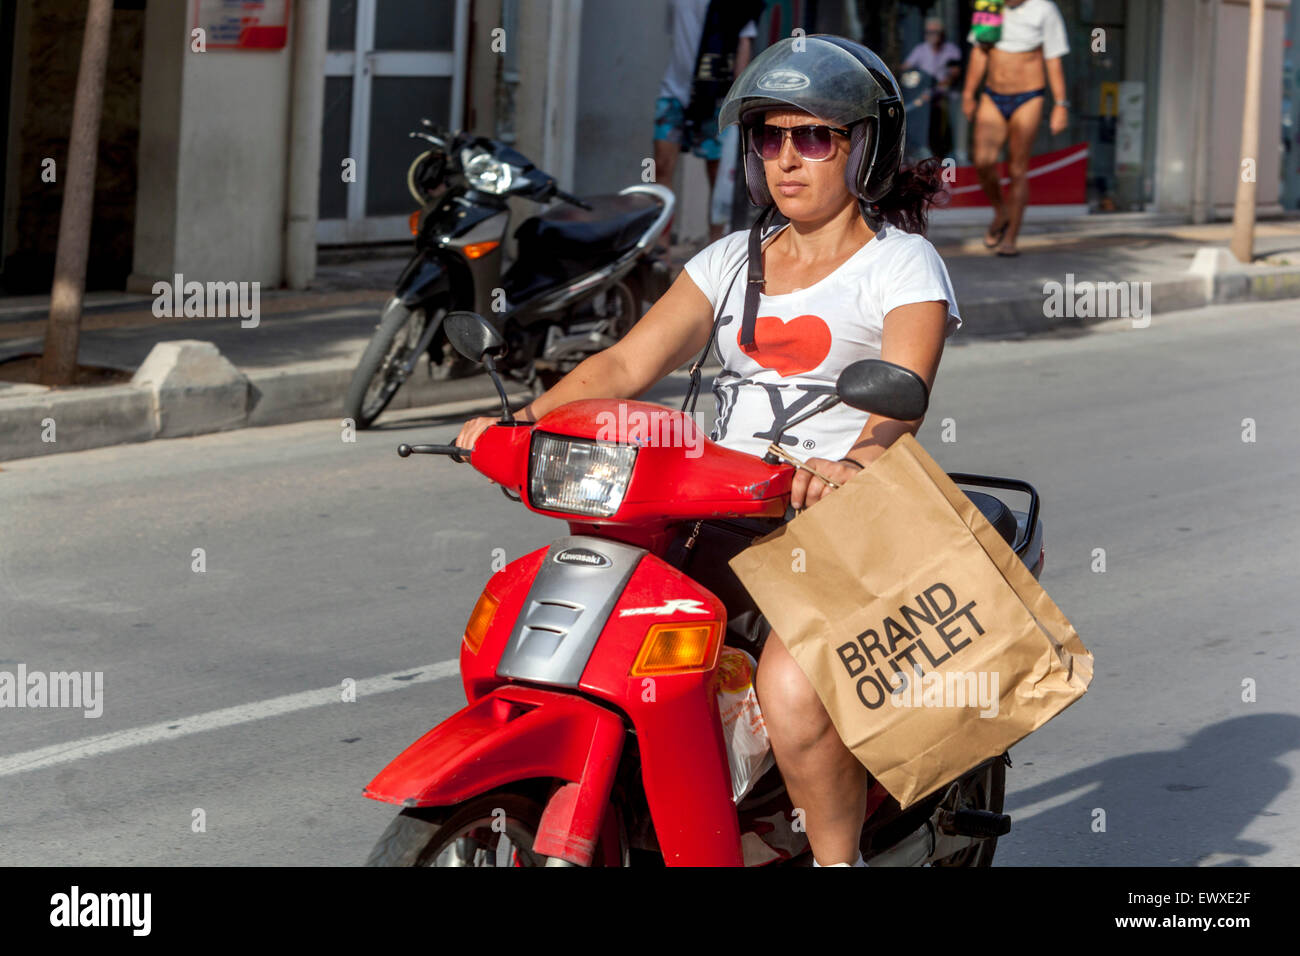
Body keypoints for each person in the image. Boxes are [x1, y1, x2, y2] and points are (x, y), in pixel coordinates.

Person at [455, 35, 961, 867]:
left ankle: (838, 861)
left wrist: (853, 462)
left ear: (864, 149)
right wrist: (515, 423)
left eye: (815, 137)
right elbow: (624, 364)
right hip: (717, 505)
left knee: (793, 694)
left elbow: (904, 388)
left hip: (842, 518)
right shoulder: (730, 261)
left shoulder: (900, 264)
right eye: (770, 137)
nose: (788, 159)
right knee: (605, 639)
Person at [961, 0, 1070, 256]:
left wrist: (1061, 104)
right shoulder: (990, 5)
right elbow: (980, 51)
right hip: (992, 95)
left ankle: (1010, 237)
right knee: (983, 161)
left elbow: (1053, 59)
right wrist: (968, 94)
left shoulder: (1044, 10)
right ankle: (1001, 211)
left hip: (1029, 96)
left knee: (1017, 167)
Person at [654, 0, 763, 243]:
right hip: (674, 93)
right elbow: (677, 37)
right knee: (660, 167)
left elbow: (743, 43)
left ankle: (716, 248)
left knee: (717, 174)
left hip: (716, 96)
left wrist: (736, 101)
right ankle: (660, 251)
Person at [901, 17, 963, 157]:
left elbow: (954, 73)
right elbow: (906, 67)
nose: (932, 35)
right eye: (928, 32)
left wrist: (942, 84)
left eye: (935, 32)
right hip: (923, 95)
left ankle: (948, 151)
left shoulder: (951, 50)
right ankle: (919, 147)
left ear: (942, 33)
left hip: (944, 94)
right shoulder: (920, 49)